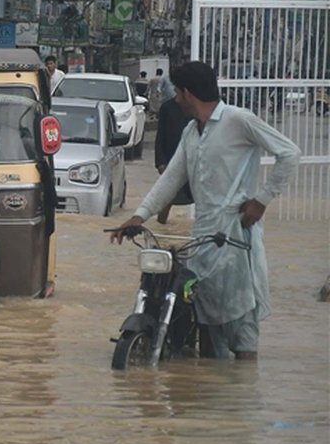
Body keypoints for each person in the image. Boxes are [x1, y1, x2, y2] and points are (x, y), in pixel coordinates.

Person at [110, 61, 301, 361]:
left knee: (241, 330)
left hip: (236, 235)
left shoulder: (239, 120)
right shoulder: (191, 131)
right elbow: (172, 178)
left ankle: (242, 381)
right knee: (205, 328)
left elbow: (289, 153)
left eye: (177, 93)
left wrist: (261, 200)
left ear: (187, 93)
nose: (175, 99)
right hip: (202, 238)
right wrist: (139, 215)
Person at [153, 95, 193, 224]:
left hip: (194, 162)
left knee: (201, 200)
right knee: (166, 200)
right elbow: (160, 135)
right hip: (171, 160)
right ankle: (160, 228)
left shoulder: (197, 108)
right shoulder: (167, 107)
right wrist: (160, 162)